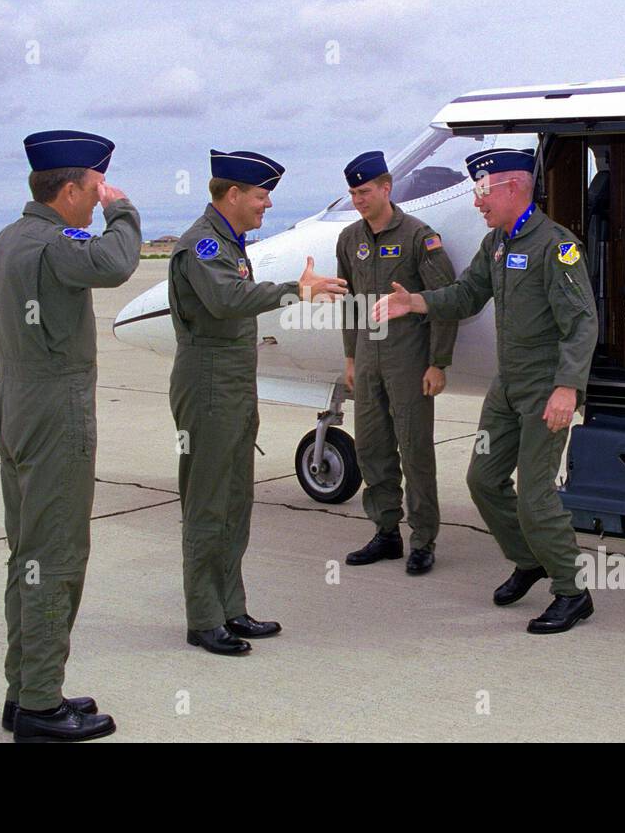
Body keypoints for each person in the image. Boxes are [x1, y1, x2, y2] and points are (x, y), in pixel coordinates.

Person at [372, 147, 599, 634]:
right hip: (508, 385)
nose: (476, 201)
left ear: (514, 187)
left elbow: (582, 324)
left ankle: (572, 590)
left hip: (544, 389)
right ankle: (527, 558)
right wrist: (415, 301)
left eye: (481, 190)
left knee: (535, 497)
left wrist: (567, 388)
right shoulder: (496, 243)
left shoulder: (556, 246)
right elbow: (467, 296)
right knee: (483, 479)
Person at [0, 129, 141, 741]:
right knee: (56, 557)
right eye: (95, 188)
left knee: (26, 557)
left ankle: (24, 692)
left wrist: (10, 397)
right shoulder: (53, 244)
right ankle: (42, 708)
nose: (100, 199)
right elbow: (116, 262)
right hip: (55, 415)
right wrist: (123, 211)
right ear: (69, 189)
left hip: (16, 407)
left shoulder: (2, 245)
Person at [169, 149, 347, 655]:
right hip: (207, 384)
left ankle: (230, 608)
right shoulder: (203, 245)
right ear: (233, 195)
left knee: (235, 502)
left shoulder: (231, 243)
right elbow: (226, 300)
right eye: (261, 195)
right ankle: (203, 618)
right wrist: (296, 290)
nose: (266, 205)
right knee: (207, 503)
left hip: (232, 382)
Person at [336, 150, 457, 575]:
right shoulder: (350, 239)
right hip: (368, 359)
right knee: (371, 447)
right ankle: (386, 532)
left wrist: (438, 362)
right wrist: (350, 357)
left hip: (409, 360)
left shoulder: (419, 236)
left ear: (386, 188)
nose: (358, 199)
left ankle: (423, 539)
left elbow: (445, 301)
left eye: (364, 191)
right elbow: (349, 303)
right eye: (352, 192)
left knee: (415, 450)